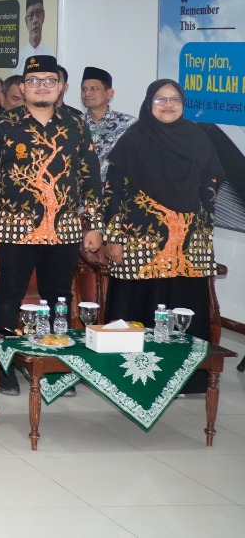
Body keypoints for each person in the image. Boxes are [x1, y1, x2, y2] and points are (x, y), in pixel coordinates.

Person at [0, 55, 102, 395]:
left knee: (59, 298)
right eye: (34, 81)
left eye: (48, 80)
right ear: (22, 88)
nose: (41, 86)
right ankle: (3, 365)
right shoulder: (3, 125)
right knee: (8, 297)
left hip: (65, 229)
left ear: (60, 86)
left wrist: (93, 225)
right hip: (17, 227)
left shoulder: (75, 125)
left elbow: (90, 177)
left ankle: (54, 365)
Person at [102, 79, 224, 389]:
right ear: (148, 103)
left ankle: (186, 377)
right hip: (139, 242)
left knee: (183, 304)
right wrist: (113, 236)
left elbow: (210, 189)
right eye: (160, 99)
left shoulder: (198, 139)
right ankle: (126, 372)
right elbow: (113, 193)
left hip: (187, 243)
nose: (167, 105)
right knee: (138, 304)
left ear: (183, 104)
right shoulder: (133, 141)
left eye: (174, 100)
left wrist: (201, 233)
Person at [80, 66, 133, 180]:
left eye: (94, 89)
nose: (87, 93)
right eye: (84, 89)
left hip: (116, 193)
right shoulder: (74, 124)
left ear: (110, 93)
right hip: (81, 194)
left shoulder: (128, 124)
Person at [15, 0, 54, 73]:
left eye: (38, 13)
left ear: (43, 16)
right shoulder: (19, 58)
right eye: (31, 15)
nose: (35, 20)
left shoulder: (51, 57)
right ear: (26, 22)